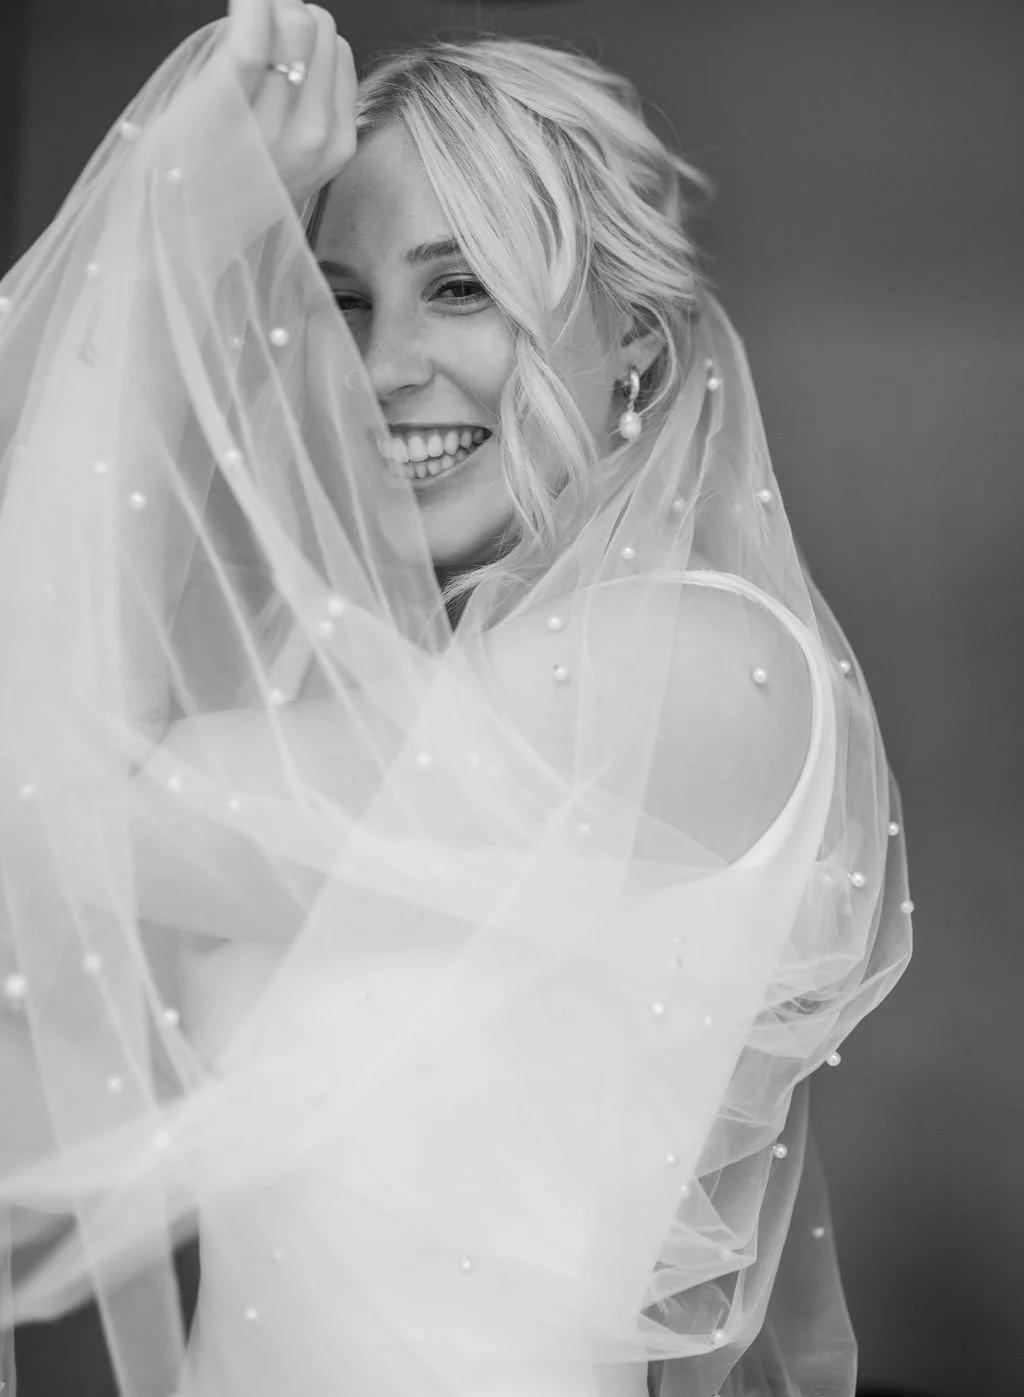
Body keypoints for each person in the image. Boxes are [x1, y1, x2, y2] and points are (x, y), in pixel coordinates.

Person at [0, 1, 913, 1394]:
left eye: (462, 287)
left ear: (642, 361)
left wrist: (172, 238)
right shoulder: (350, 708)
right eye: (340, 300)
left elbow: (72, 803)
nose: (379, 370)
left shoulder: (700, 668)